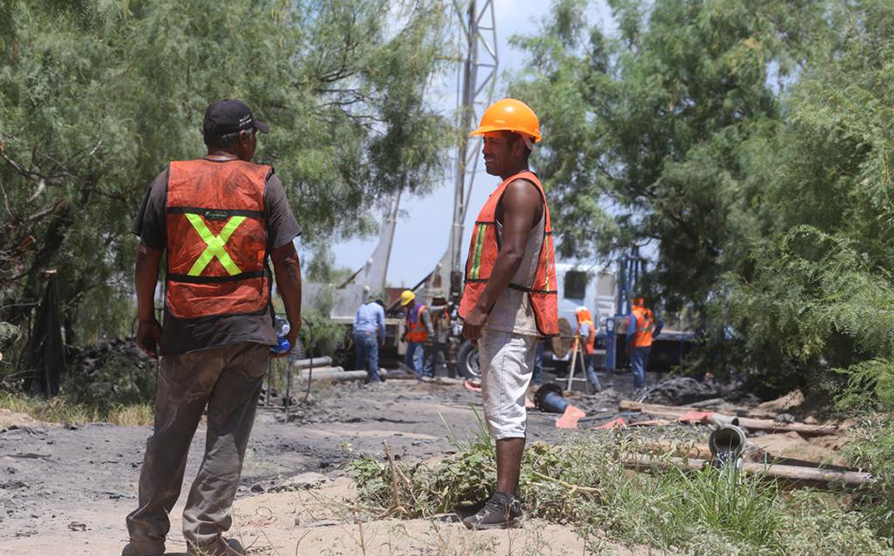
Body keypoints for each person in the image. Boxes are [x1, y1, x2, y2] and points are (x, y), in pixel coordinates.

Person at [124, 99, 302, 556]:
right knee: (227, 436)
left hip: (186, 332)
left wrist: (147, 319)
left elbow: (147, 257)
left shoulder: (171, 179)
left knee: (169, 434)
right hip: (246, 333)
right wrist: (293, 322)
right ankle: (205, 538)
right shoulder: (265, 183)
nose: (255, 142)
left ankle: (145, 539)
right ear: (243, 138)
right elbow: (286, 260)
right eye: (254, 135)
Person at [458, 98, 559, 530]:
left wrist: (480, 309)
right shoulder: (513, 186)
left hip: (510, 316)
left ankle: (504, 502)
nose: (484, 150)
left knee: (506, 408)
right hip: (505, 314)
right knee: (501, 406)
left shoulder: (519, 189)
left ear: (520, 144)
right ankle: (506, 498)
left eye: (493, 142)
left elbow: (513, 252)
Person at [627, 297, 663, 390]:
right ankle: (642, 386)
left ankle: (639, 388)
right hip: (648, 344)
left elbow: (631, 332)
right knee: (642, 366)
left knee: (637, 367)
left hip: (637, 344)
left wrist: (627, 345)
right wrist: (654, 336)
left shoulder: (634, 315)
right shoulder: (648, 312)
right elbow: (661, 323)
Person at [400, 290, 434, 378]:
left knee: (417, 359)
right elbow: (409, 326)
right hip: (412, 340)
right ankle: (411, 375)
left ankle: (418, 377)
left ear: (412, 301)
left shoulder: (422, 311)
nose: (406, 306)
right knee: (407, 360)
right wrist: (404, 335)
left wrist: (430, 338)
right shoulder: (409, 312)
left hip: (420, 340)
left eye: (407, 303)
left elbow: (429, 325)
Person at [354, 296, 386, 383]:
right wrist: (382, 338)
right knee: (372, 357)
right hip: (368, 333)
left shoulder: (361, 307)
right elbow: (381, 325)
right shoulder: (379, 308)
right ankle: (375, 379)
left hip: (358, 333)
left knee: (360, 358)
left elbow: (355, 323)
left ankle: (358, 379)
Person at [574, 306, 601, 392]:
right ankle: (597, 387)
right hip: (589, 350)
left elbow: (584, 337)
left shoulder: (584, 325)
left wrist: (584, 350)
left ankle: (568, 385)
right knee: (589, 368)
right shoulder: (590, 324)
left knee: (574, 368)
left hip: (583, 351)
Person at [427, 293, 452, 377]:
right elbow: (431, 309)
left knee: (448, 358)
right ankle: (431, 374)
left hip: (445, 339)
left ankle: (450, 375)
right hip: (436, 339)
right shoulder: (433, 310)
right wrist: (444, 306)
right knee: (432, 358)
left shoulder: (445, 313)